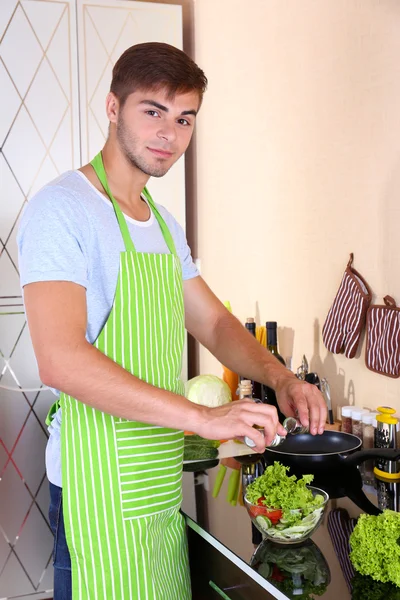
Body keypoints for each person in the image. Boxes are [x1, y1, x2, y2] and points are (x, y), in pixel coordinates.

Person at [17, 42, 327, 600]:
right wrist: (202, 418)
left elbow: (213, 323)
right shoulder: (62, 209)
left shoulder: (161, 224)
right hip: (97, 488)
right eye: (152, 111)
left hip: (156, 483)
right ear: (113, 108)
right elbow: (60, 359)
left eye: (184, 118)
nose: (169, 133)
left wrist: (281, 378)